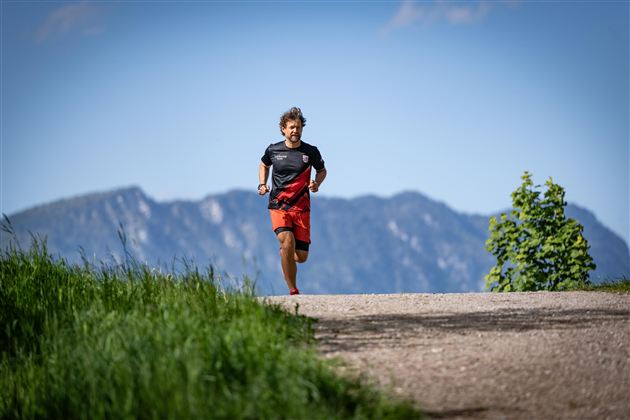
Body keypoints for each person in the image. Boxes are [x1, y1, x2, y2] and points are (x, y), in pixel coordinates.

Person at [258, 107, 327, 295]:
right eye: (291, 127)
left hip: (301, 209)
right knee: (287, 241)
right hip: (278, 206)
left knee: (301, 257)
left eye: (298, 127)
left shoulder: (311, 152)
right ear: (283, 129)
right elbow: (264, 164)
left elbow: (322, 171)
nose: (295, 130)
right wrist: (262, 184)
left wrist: (316, 184)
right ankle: (293, 289)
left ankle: (287, 253)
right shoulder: (273, 150)